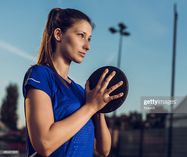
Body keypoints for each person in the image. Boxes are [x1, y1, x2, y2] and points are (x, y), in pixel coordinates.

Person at [22, 8, 124, 157]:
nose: (87, 46)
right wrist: (90, 107)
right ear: (59, 34)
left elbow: (103, 150)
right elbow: (44, 143)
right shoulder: (40, 74)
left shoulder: (81, 91)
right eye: (81, 36)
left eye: (89, 38)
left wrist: (99, 107)